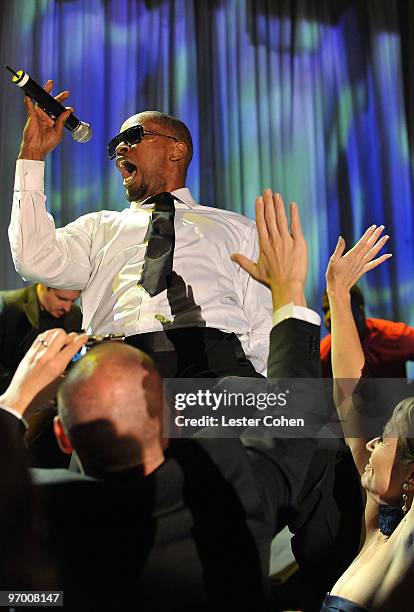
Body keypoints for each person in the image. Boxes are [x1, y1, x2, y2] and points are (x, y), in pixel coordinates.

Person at [1, 191, 342, 611]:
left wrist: (15, 402)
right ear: (165, 416)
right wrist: (290, 291)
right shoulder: (238, 492)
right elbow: (291, 421)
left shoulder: (44, 521)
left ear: (63, 436)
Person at [9, 82, 273, 378]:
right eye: (116, 144)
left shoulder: (238, 229)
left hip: (215, 369)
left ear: (177, 150)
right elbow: (32, 258)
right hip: (117, 367)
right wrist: (32, 155)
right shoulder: (99, 228)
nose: (120, 147)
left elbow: (262, 325)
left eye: (133, 136)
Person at [321, 225, 414, 611]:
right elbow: (349, 401)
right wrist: (337, 294)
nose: (373, 441)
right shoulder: (376, 521)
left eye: (386, 439)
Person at [0, 283, 81, 392]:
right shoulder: (7, 305)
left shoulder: (75, 314)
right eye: (62, 299)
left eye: (73, 301)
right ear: (43, 286)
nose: (67, 308)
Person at [320, 285, 414, 378]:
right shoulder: (322, 355)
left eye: (337, 309)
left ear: (360, 311)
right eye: (326, 311)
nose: (329, 317)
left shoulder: (394, 336)